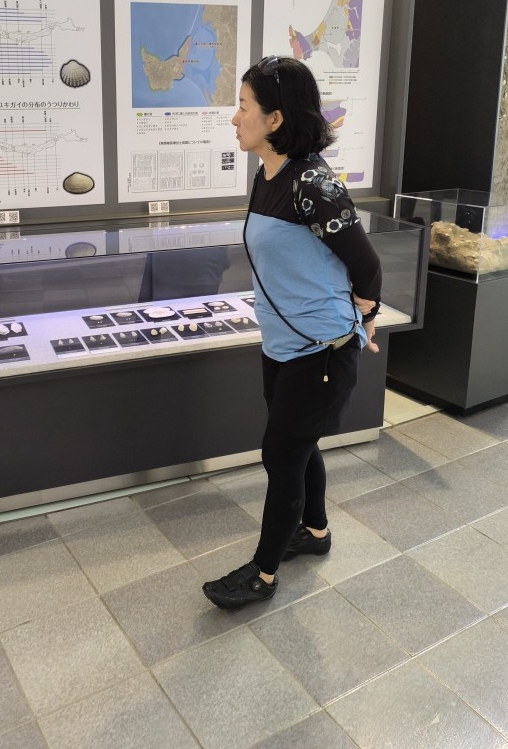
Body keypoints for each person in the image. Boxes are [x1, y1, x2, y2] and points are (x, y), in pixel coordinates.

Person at [202, 56, 381, 610]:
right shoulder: (268, 174)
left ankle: (263, 573)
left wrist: (365, 317)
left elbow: (367, 265)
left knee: (281, 458)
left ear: (275, 119)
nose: (235, 118)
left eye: (244, 107)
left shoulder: (314, 184)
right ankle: (316, 531)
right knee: (299, 446)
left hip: (320, 350)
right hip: (283, 345)